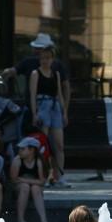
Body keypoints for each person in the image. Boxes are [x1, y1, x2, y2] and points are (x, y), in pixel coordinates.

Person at [30, 46, 69, 187]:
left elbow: (59, 94)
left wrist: (64, 111)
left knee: (59, 144)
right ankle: (44, 176)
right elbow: (33, 95)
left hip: (55, 107)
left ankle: (60, 177)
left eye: (47, 58)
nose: (44, 61)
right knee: (43, 145)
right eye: (42, 58)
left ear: (52, 59)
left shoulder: (55, 74)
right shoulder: (36, 74)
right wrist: (34, 113)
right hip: (43, 106)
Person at [1, 32, 71, 111]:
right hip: (31, 107)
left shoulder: (58, 65)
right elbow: (14, 70)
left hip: (52, 107)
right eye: (37, 48)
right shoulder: (28, 62)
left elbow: (66, 87)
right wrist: (7, 72)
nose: (37, 51)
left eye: (40, 49)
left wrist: (65, 109)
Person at [9, 136, 52, 222]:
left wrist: (25, 180)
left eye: (23, 149)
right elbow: (14, 179)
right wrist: (31, 182)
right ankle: (20, 220)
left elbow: (42, 181)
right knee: (25, 187)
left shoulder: (39, 161)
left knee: (35, 188)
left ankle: (44, 220)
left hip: (35, 189)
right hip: (19, 189)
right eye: (20, 149)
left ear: (32, 150)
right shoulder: (17, 160)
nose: (20, 151)